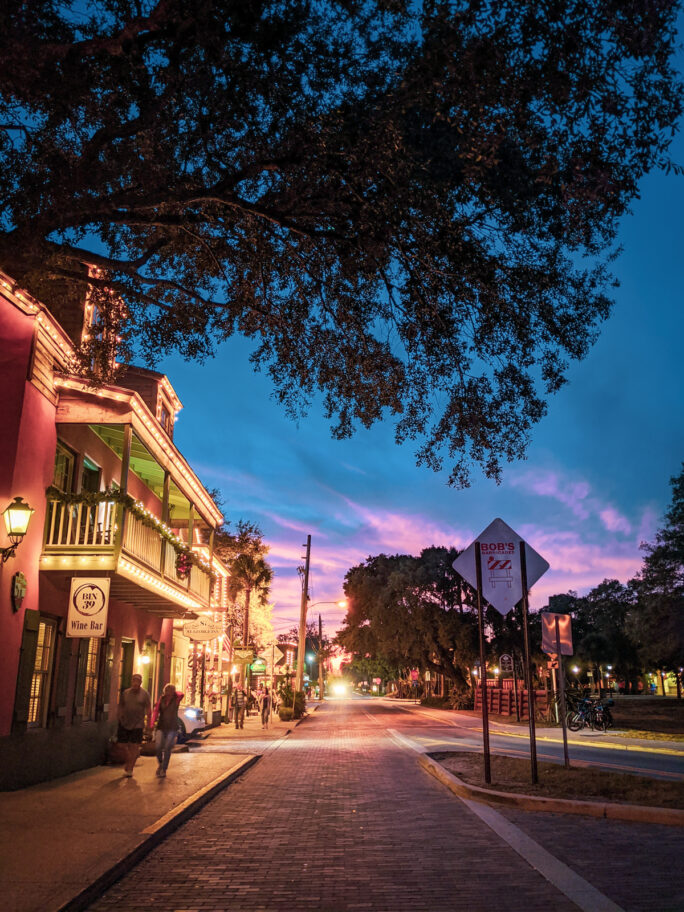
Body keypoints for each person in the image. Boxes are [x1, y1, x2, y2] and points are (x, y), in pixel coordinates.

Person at [117, 673, 152, 778]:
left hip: (138, 723)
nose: (136, 683)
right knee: (121, 745)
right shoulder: (126, 693)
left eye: (138, 681)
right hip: (125, 722)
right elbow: (121, 706)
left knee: (134, 746)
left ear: (140, 682)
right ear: (132, 681)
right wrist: (119, 716)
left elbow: (148, 709)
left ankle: (130, 768)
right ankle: (130, 759)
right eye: (134, 680)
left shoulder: (145, 694)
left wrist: (149, 723)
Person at [151, 683, 183, 778]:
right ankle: (160, 763)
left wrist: (174, 693)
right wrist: (152, 723)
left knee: (168, 747)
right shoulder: (161, 699)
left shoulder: (176, 700)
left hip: (172, 727)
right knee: (158, 747)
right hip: (161, 726)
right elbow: (156, 711)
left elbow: (181, 694)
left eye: (170, 690)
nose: (168, 692)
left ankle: (164, 769)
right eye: (167, 690)